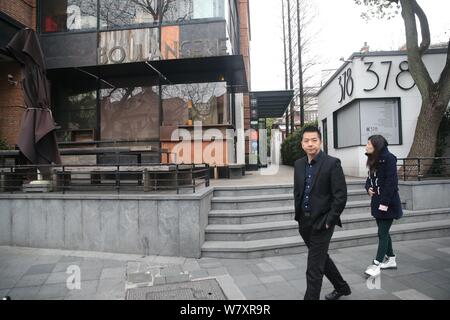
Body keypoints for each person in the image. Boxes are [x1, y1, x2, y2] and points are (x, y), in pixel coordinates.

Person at [293, 126, 351, 300]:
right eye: (306, 141)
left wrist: (329, 220)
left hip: (323, 223)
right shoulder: (298, 164)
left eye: (314, 140)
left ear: (320, 141)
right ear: (302, 143)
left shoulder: (332, 163)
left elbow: (340, 196)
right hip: (304, 222)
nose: (310, 144)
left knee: (313, 268)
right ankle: (342, 288)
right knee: (321, 259)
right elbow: (298, 191)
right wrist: (299, 216)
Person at [364, 135, 403, 278]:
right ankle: (391, 259)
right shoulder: (373, 158)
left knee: (382, 233)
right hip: (376, 200)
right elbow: (369, 179)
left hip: (388, 202)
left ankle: (376, 264)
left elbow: (391, 183)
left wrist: (384, 204)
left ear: (376, 145)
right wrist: (367, 188)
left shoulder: (389, 158)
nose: (366, 146)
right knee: (384, 232)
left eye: (368, 144)